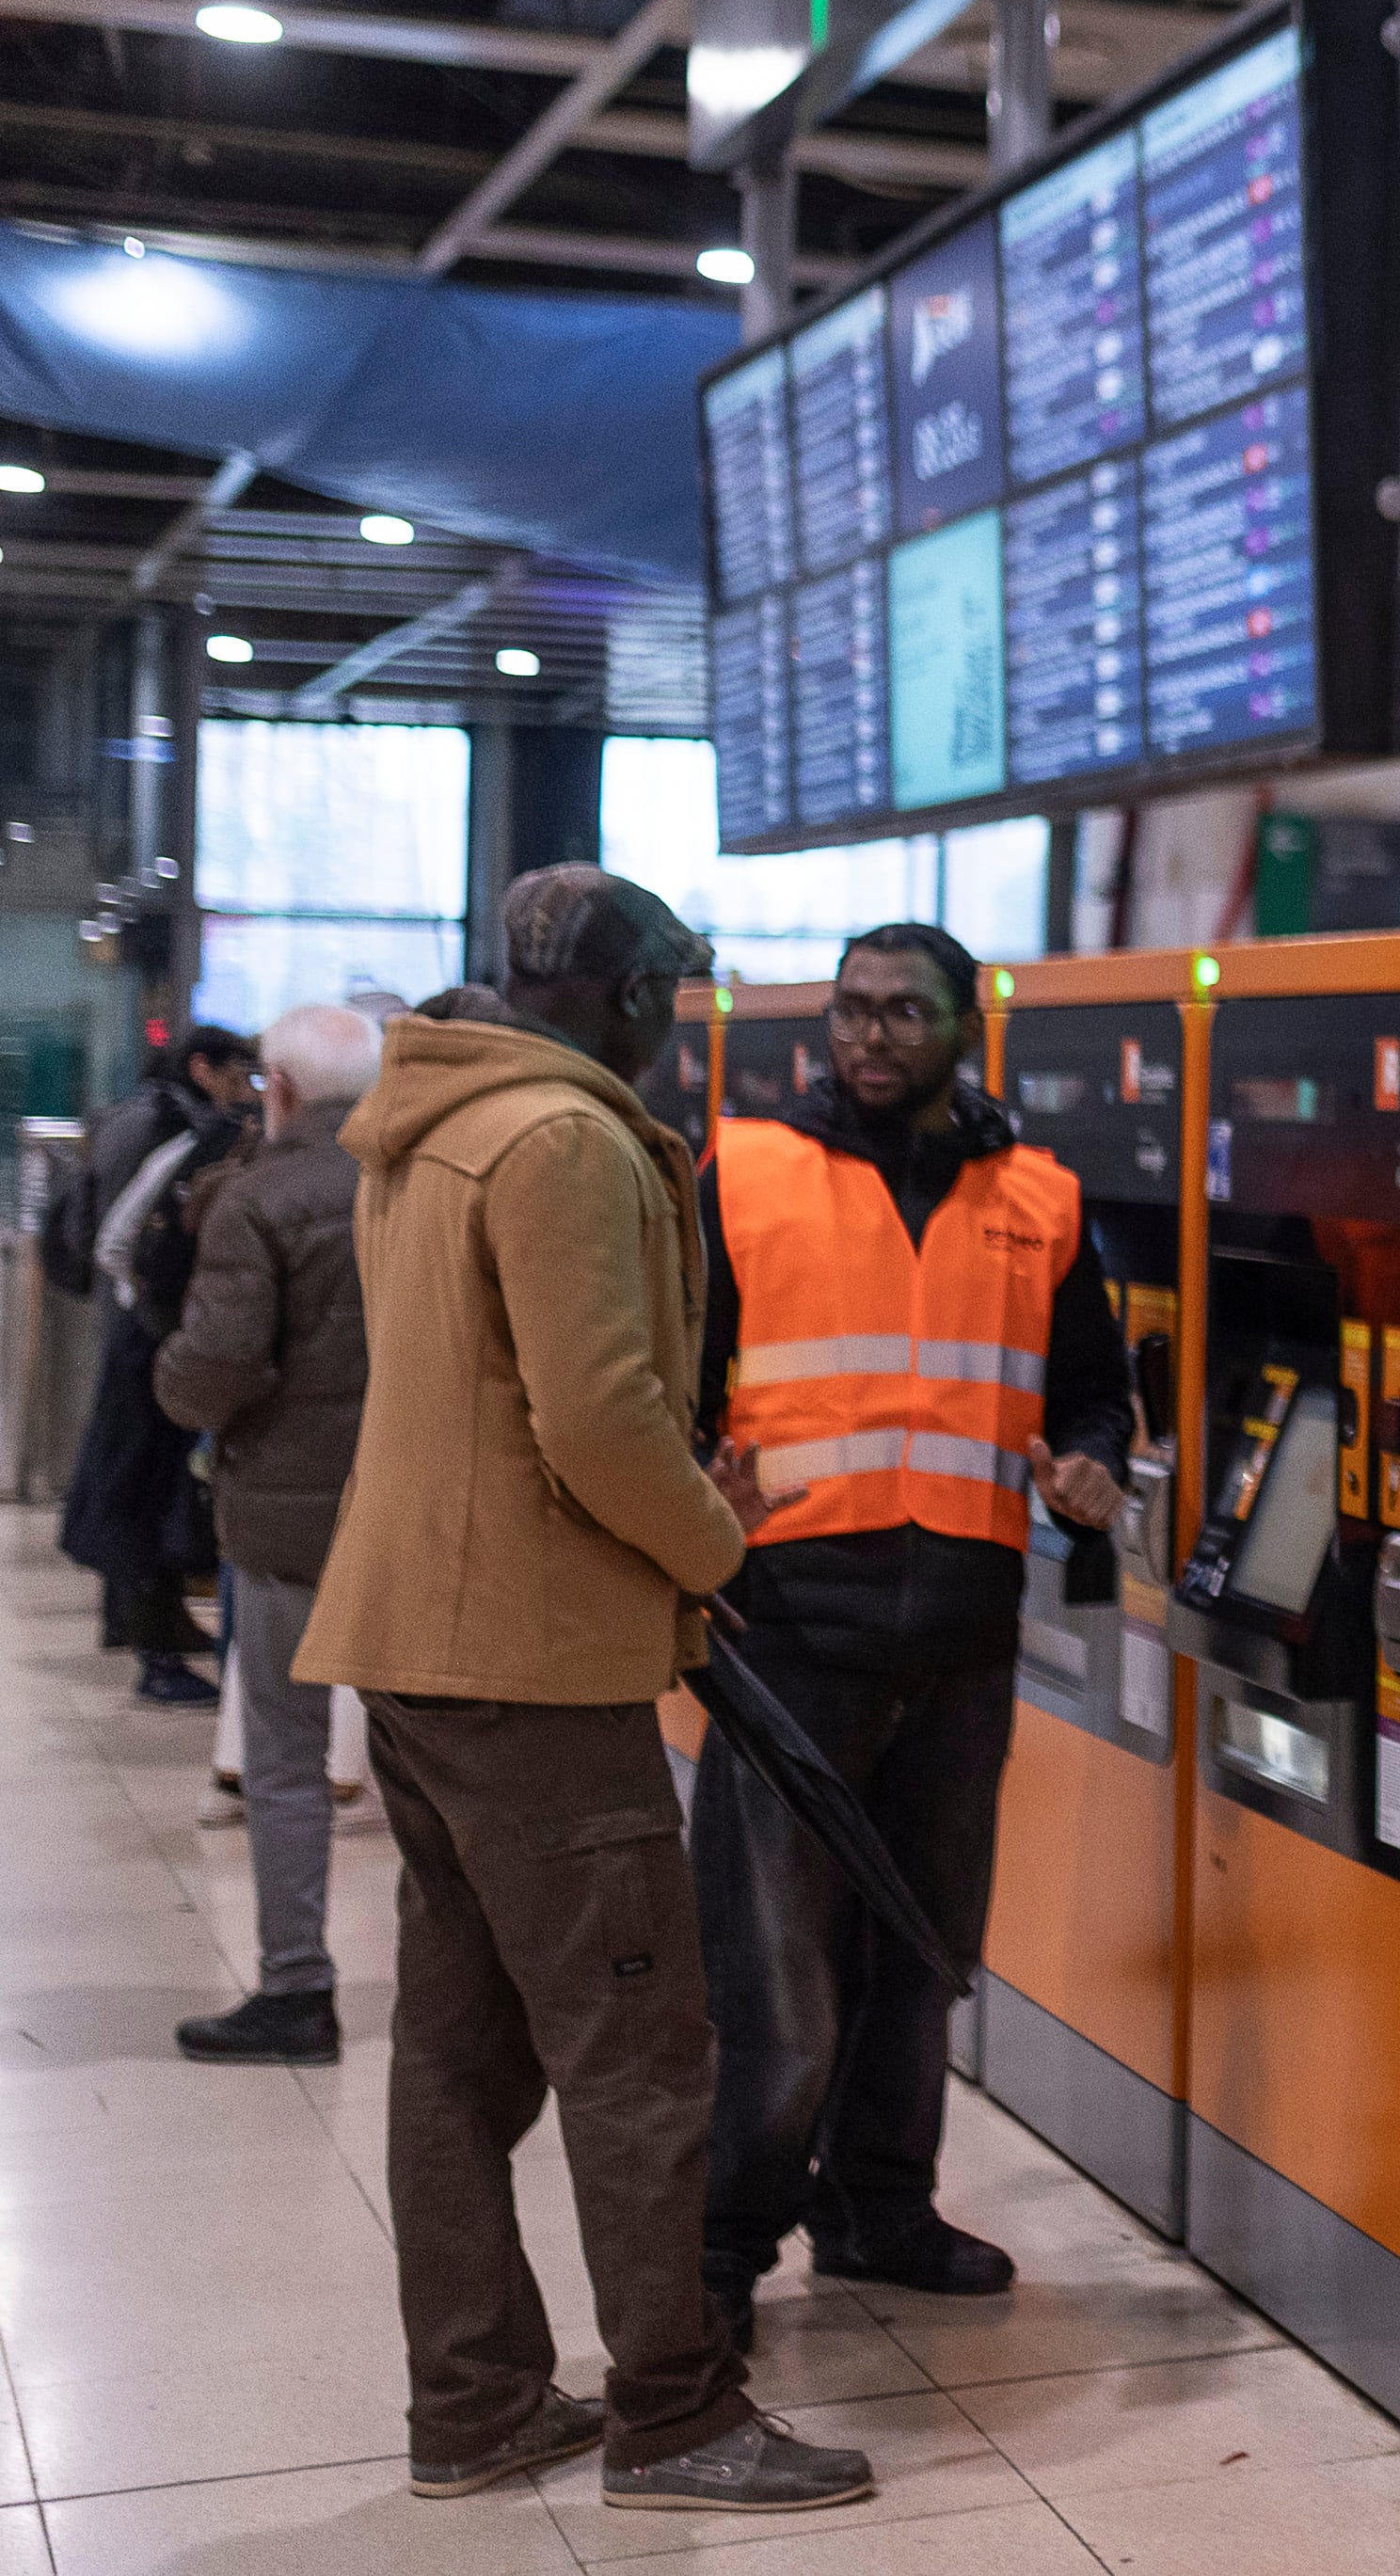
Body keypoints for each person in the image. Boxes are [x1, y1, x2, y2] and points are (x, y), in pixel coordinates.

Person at [301, 867, 876, 2517]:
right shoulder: (564, 1139)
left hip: (421, 1638)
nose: (683, 1030)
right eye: (676, 999)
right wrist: (713, 1547)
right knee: (640, 2043)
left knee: (461, 2047)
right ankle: (677, 2406)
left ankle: (474, 2397)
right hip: (532, 1661)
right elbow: (602, 1417)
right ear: (634, 997)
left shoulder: (430, 1125)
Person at [692, 922, 1130, 2346]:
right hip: (788, 1634)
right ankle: (721, 2253)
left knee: (923, 1954)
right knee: (779, 1973)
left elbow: (1094, 1391)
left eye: (903, 1013)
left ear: (966, 1023)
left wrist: (1092, 1461)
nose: (870, 1037)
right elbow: (674, 1377)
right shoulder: (746, 1172)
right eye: (852, 1013)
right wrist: (692, 1485)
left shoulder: (1042, 1201)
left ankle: (882, 2208)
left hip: (961, 1637)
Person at [153, 1000, 385, 2063]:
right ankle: (460, 2000)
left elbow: (212, 1370)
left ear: (277, 1087)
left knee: (288, 1757)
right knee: (428, 1765)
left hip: (287, 1517)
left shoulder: (262, 1197)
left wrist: (173, 1380)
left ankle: (297, 1988)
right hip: (410, 1516)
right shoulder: (419, 1190)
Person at [51, 1026, 252, 1704]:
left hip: (144, 1330)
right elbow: (122, 1236)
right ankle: (154, 1648)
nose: (244, 1089)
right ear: (204, 1068)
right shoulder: (182, 1131)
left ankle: (143, 1627)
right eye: (236, 1074)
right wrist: (156, 1310)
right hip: (156, 1337)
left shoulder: (137, 1115)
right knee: (149, 1491)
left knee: (133, 1486)